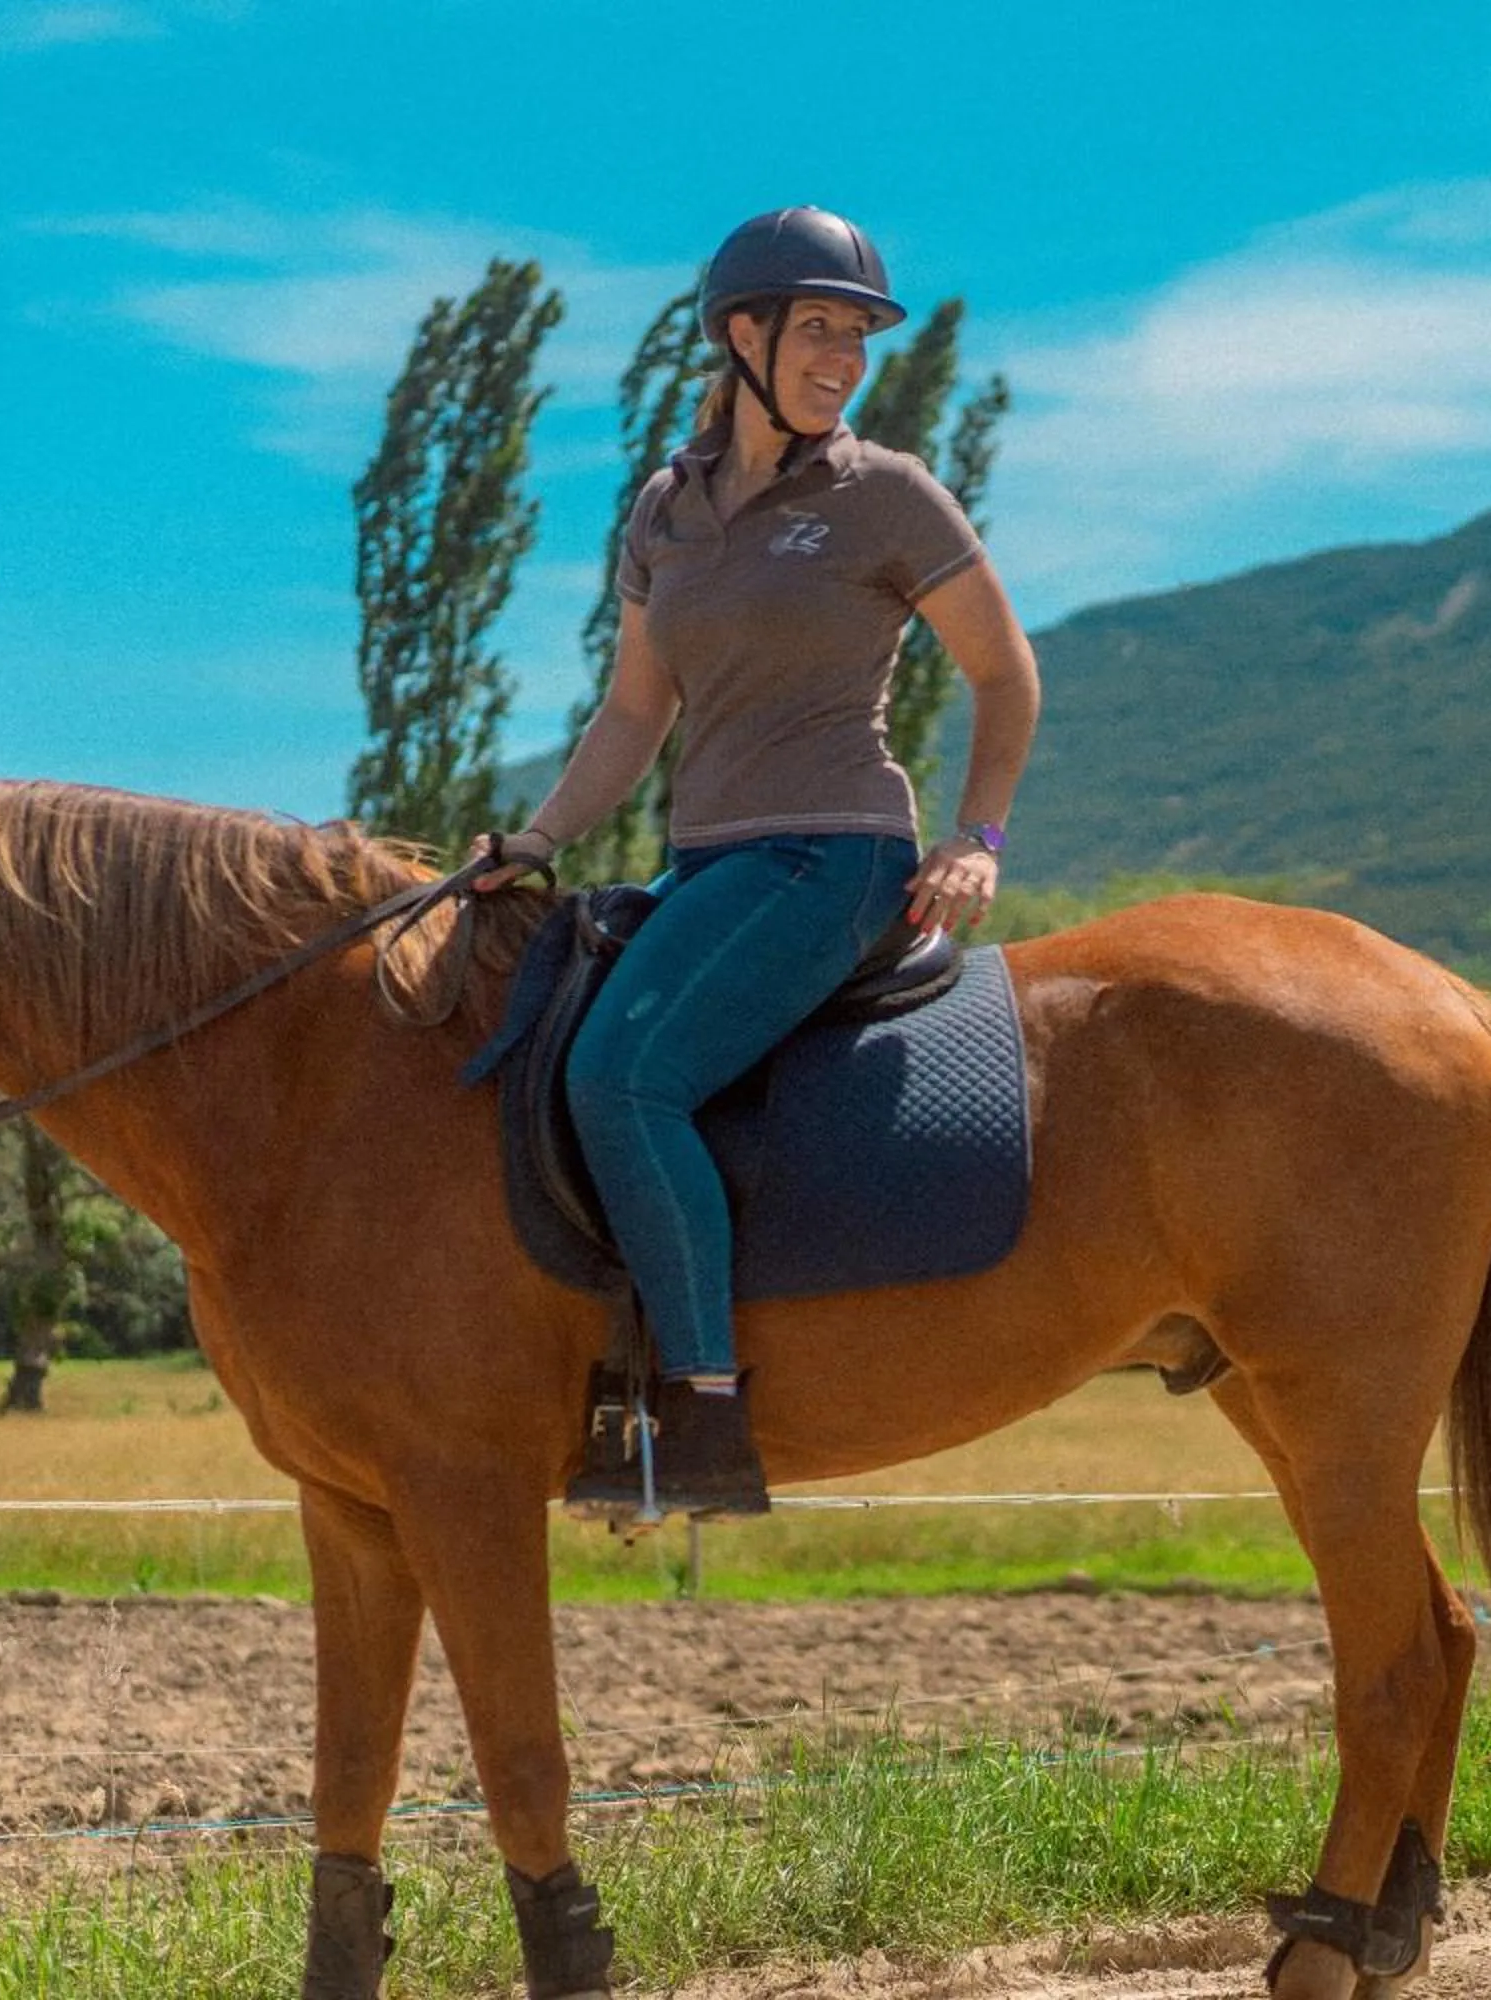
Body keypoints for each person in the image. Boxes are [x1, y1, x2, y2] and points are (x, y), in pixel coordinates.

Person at [474, 205, 1042, 1517]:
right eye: (820, 329)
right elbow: (633, 714)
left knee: (623, 1077)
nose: (846, 359)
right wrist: (541, 837)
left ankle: (706, 1413)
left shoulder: (884, 493)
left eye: (859, 335)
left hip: (834, 854)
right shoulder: (665, 511)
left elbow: (1005, 672)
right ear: (743, 334)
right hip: (711, 863)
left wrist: (978, 837)